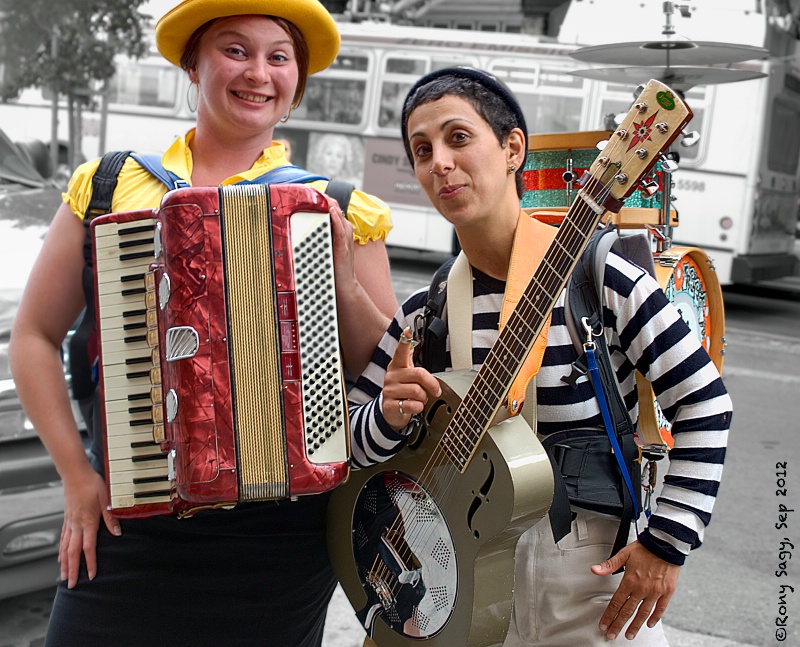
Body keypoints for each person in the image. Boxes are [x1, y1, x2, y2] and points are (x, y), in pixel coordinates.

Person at [8, 1, 398, 646]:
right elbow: (34, 338)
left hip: (281, 538)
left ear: (296, 81)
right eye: (235, 49)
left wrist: (344, 271)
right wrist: (77, 478)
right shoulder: (111, 186)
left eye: (280, 57)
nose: (258, 73)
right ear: (194, 63)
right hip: (132, 517)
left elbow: (379, 372)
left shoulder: (340, 207)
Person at [346, 67, 732, 645]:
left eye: (458, 138)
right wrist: (388, 418)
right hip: (455, 578)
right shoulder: (424, 312)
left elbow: (705, 403)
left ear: (512, 149)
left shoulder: (596, 276)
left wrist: (666, 543)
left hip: (588, 582)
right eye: (421, 150)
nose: (439, 163)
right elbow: (347, 446)